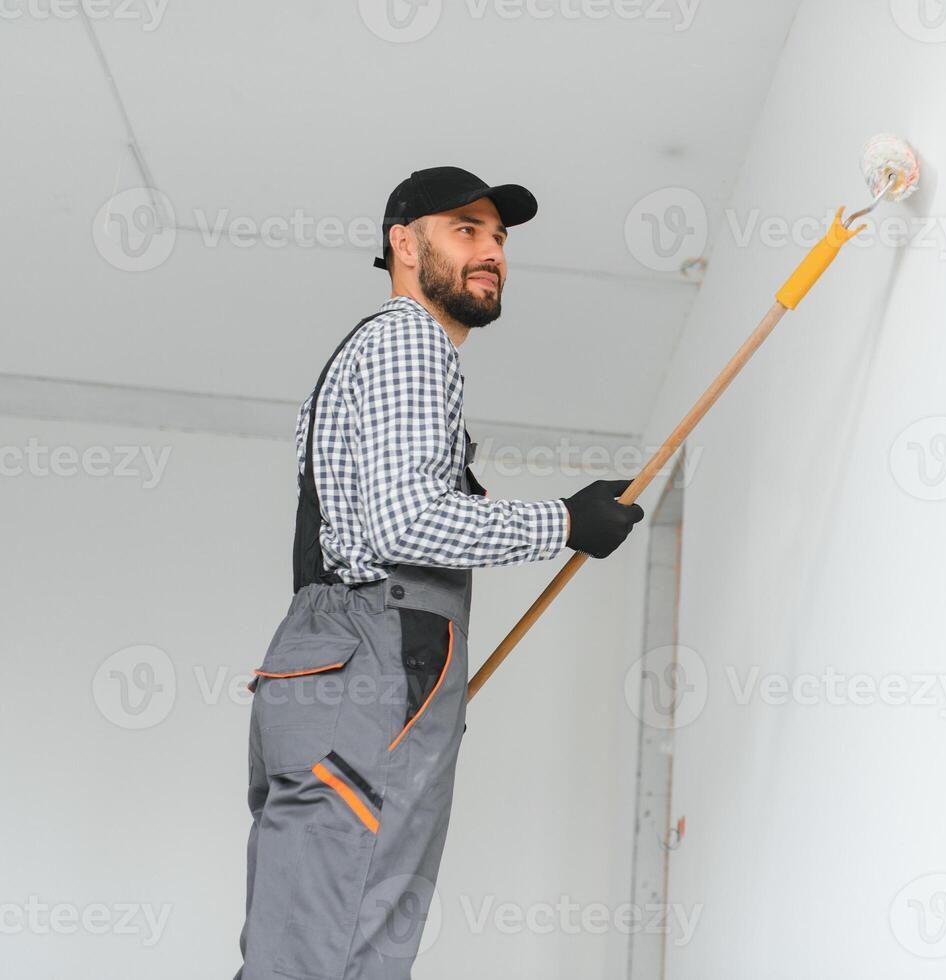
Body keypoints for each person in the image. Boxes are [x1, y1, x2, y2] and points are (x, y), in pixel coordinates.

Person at [232, 166, 644, 979]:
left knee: (319, 947)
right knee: (335, 951)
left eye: (497, 237)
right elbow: (406, 520)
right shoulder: (408, 339)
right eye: (465, 229)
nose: (491, 250)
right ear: (402, 243)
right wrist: (565, 521)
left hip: (345, 668)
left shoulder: (376, 352)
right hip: (369, 660)